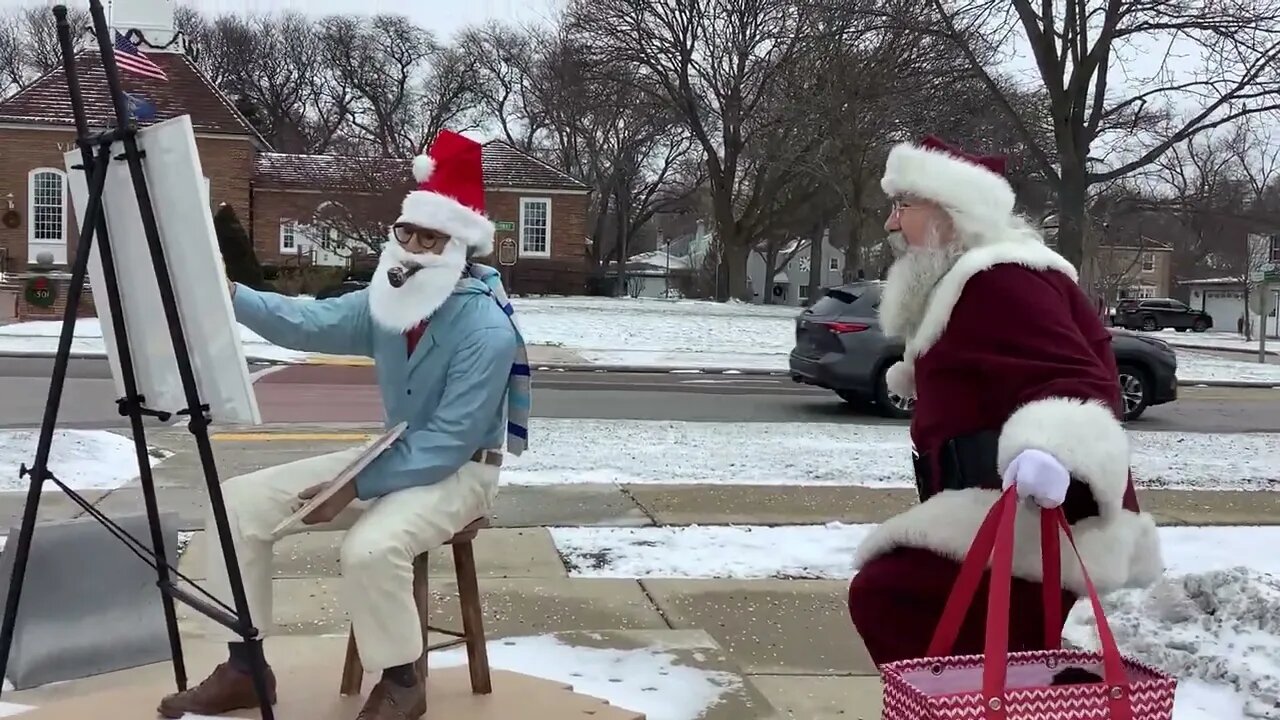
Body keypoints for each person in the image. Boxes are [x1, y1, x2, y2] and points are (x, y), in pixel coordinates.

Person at [159, 129, 530, 720]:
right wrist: (229, 294)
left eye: (426, 237)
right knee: (238, 503)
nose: (408, 247)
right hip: (390, 456)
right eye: (404, 232)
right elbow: (306, 323)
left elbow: (447, 443)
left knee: (371, 547)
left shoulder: (486, 330)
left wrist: (352, 486)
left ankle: (403, 682)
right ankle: (245, 667)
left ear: (457, 248)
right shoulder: (388, 301)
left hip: (461, 471)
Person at [846, 135, 1164, 665]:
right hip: (996, 516)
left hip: (1032, 517)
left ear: (953, 213)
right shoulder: (979, 278)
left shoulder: (1003, 277)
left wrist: (1049, 449)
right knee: (990, 662)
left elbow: (1078, 377)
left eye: (903, 206)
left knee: (890, 599)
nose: (891, 224)